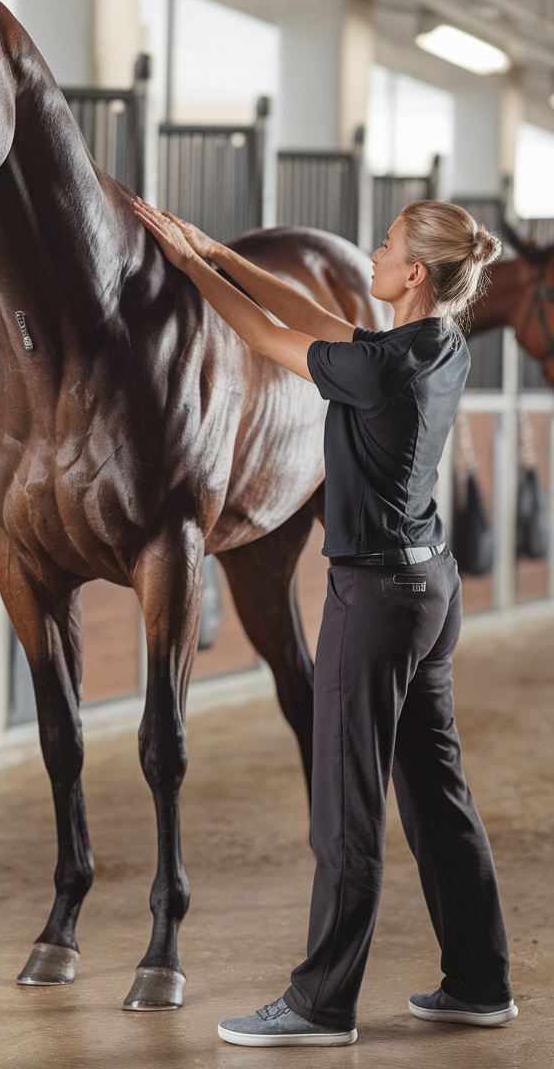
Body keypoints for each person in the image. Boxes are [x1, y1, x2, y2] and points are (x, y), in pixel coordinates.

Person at [130, 195, 517, 1048]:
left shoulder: (381, 368)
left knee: (347, 810)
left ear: (414, 272)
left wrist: (194, 272)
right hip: (429, 592)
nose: (373, 253)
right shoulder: (431, 342)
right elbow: (309, 315)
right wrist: (219, 254)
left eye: (385, 246)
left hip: (375, 601)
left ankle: (320, 1004)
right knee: (437, 796)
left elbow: (270, 339)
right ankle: (480, 981)